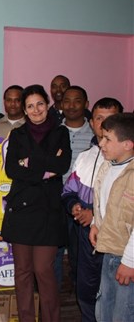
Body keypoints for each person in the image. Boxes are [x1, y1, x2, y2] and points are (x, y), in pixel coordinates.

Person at [1, 84, 71, 322]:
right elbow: (11, 169)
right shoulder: (18, 134)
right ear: (24, 109)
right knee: (22, 272)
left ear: (48, 104)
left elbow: (61, 166)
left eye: (40, 103)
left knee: (43, 270)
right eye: (30, 106)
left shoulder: (61, 133)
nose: (36, 109)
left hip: (49, 210)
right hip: (21, 210)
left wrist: (29, 163)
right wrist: (44, 168)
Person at [62, 98, 123, 322]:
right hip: (84, 233)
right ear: (91, 122)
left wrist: (95, 216)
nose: (104, 123)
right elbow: (68, 190)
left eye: (111, 118)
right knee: (85, 287)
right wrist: (75, 207)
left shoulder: (126, 161)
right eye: (99, 118)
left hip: (115, 237)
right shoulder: (85, 157)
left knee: (113, 293)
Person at [89, 113, 134, 322]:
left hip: (127, 257)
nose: (101, 143)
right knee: (103, 310)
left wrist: (129, 262)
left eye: (107, 139)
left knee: (123, 314)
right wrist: (95, 224)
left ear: (127, 144)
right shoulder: (108, 166)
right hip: (109, 251)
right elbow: (102, 201)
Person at [55, 85, 94, 291]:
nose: (71, 105)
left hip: (83, 205)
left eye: (77, 100)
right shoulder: (53, 131)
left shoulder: (96, 135)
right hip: (55, 202)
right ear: (61, 104)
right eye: (67, 101)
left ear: (86, 104)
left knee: (81, 256)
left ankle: (82, 296)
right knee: (55, 255)